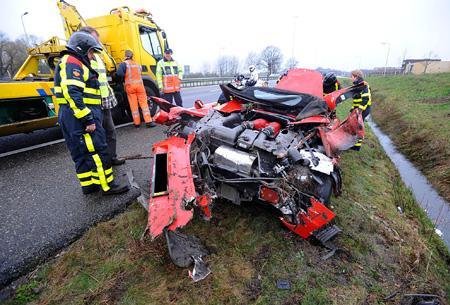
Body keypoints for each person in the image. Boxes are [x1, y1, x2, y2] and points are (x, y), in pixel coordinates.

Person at [54, 31, 129, 195]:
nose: (91, 55)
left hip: (72, 115)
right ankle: (107, 186)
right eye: (90, 52)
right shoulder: (73, 62)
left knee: (81, 152)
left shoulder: (69, 61)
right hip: (81, 115)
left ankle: (89, 184)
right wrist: (88, 119)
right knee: (98, 150)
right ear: (81, 49)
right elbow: (72, 93)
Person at [79, 26, 125, 165]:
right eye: (95, 40)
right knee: (97, 136)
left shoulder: (97, 57)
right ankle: (102, 163)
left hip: (104, 101)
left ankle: (112, 158)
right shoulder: (82, 59)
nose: (97, 43)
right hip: (92, 104)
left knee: (110, 132)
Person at [116, 50, 155, 128]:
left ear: (125, 56)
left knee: (133, 105)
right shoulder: (137, 64)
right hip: (140, 86)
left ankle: (137, 123)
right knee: (144, 104)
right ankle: (149, 122)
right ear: (132, 56)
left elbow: (119, 73)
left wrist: (122, 79)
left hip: (130, 87)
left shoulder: (124, 64)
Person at [350, 69, 372, 151]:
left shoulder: (363, 85)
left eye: (351, 76)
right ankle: (355, 143)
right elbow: (356, 100)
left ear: (356, 76)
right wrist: (353, 108)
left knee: (358, 126)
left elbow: (365, 99)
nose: (351, 78)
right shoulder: (357, 86)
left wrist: (359, 110)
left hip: (364, 109)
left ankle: (357, 146)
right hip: (358, 108)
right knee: (355, 125)